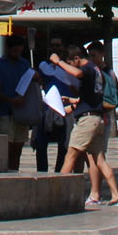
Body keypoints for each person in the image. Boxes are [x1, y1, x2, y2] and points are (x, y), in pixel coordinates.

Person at [60, 42, 118, 208]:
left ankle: (57, 194)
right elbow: (93, 97)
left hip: (88, 120)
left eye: (70, 61)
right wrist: (74, 102)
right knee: (100, 160)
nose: (69, 65)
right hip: (99, 118)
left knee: (71, 155)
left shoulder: (88, 68)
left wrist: (57, 62)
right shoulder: (98, 71)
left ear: (76, 58)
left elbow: (78, 73)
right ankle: (116, 196)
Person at [32, 40, 75, 172]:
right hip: (46, 108)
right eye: (52, 45)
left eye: (58, 45)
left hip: (65, 109)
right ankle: (42, 171)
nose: (55, 48)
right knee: (41, 143)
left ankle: (60, 171)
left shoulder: (68, 67)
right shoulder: (43, 66)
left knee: (64, 144)